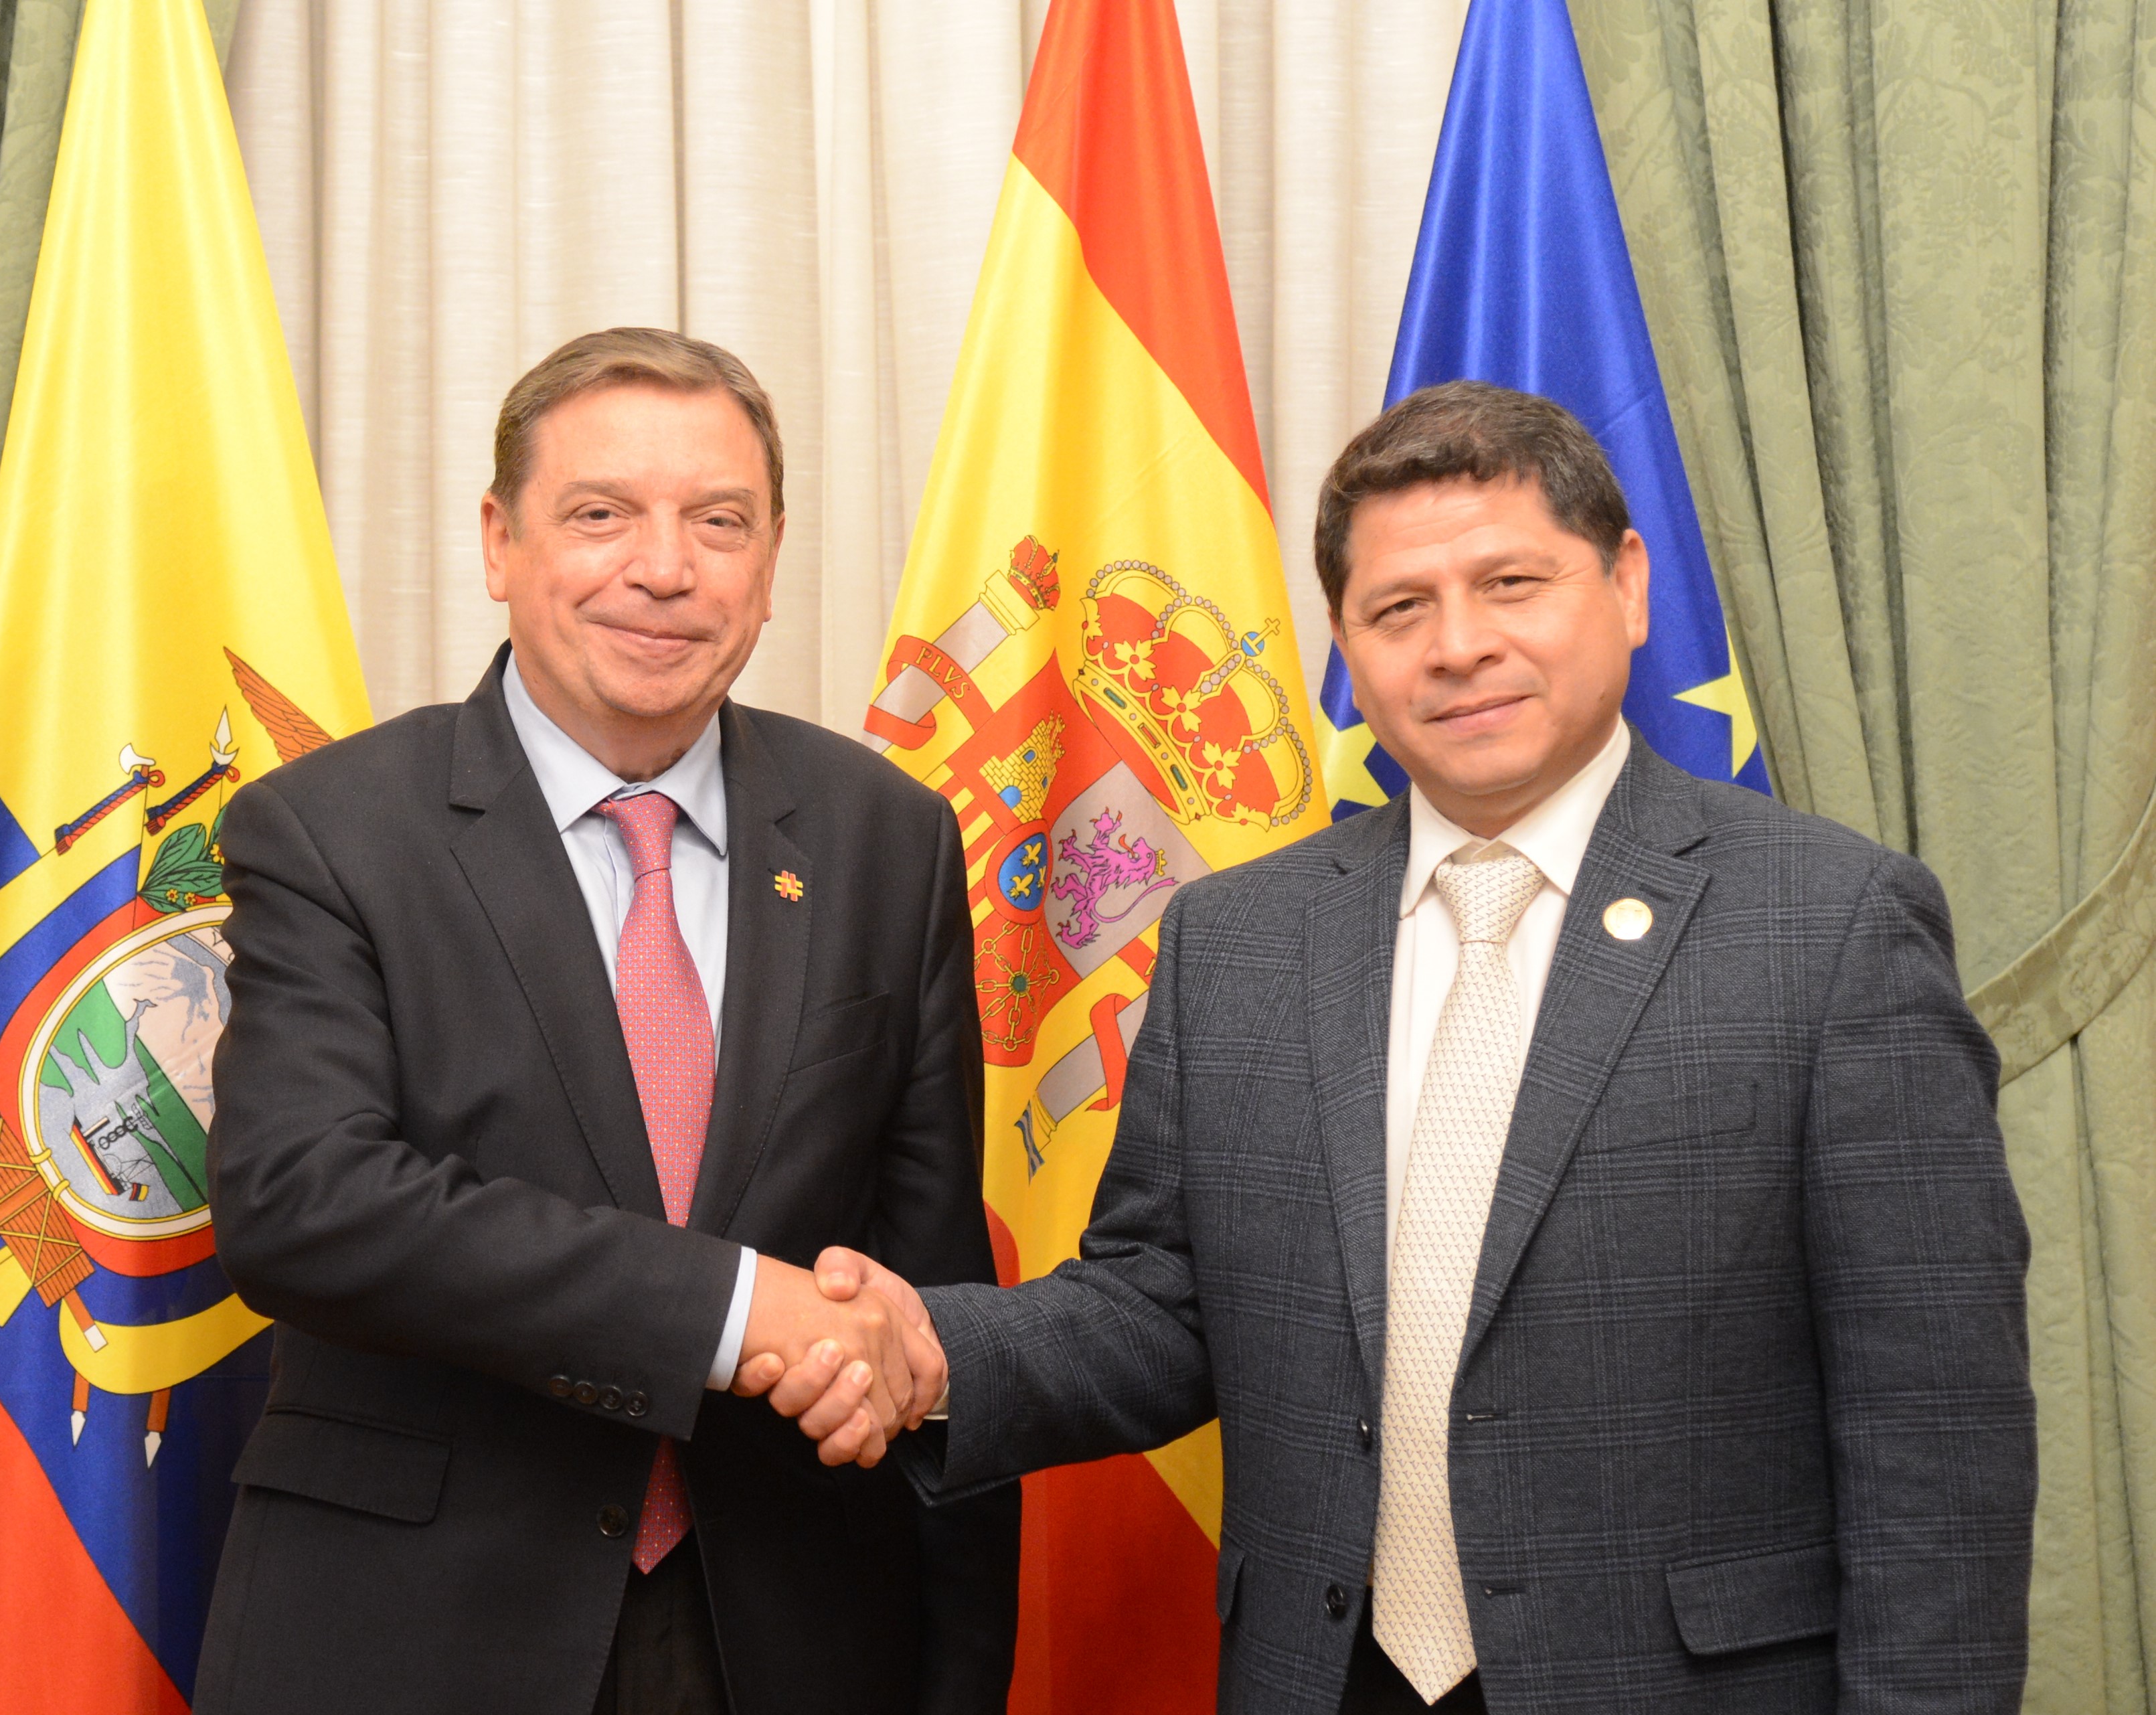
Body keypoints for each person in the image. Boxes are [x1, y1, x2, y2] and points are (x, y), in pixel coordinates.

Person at [774, 381, 2036, 1713]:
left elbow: (1934, 1429)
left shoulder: (1829, 925)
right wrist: (932, 1351)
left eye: (1509, 584)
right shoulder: (1238, 938)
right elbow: (1166, 1302)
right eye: (1398, 609)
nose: (1457, 646)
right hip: (1325, 1678)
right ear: (1346, 643)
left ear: (1625, 585)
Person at [192, 327, 1019, 1715]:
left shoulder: (887, 836)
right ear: (498, 542)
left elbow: (931, 1301)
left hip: (796, 1632)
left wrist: (959, 1677)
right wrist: (729, 1309)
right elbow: (301, 1203)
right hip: (415, 1632)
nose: (664, 567)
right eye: (599, 515)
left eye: (720, 521)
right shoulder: (329, 828)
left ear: (769, 562)